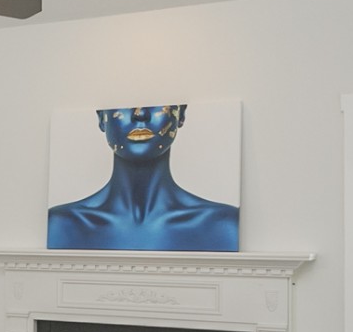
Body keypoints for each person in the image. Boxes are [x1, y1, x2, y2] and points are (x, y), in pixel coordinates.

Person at [47, 104, 238, 251]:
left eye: (159, 100)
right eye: (122, 100)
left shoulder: (225, 225)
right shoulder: (61, 223)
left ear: (181, 114)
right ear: (101, 117)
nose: (140, 113)